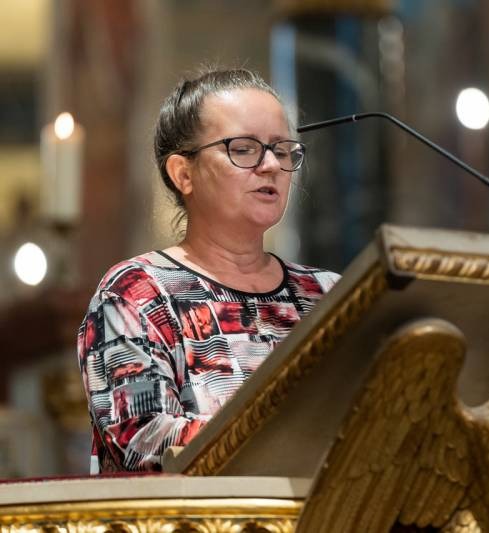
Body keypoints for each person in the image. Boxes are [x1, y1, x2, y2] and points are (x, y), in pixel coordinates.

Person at [77, 68, 339, 473]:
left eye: (283, 150)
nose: (271, 165)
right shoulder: (138, 293)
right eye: (244, 149)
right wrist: (294, 437)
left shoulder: (326, 294)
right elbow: (144, 439)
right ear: (183, 174)